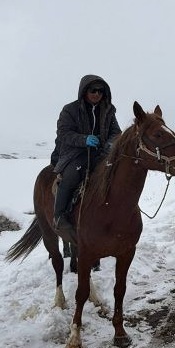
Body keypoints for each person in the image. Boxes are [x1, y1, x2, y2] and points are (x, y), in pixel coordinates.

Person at [52, 75, 121, 237]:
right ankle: (59, 216)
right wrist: (84, 140)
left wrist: (111, 143)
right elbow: (63, 133)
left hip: (102, 152)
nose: (97, 94)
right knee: (71, 175)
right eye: (93, 90)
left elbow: (116, 132)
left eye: (101, 91)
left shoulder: (109, 110)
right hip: (75, 152)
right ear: (84, 91)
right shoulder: (70, 110)